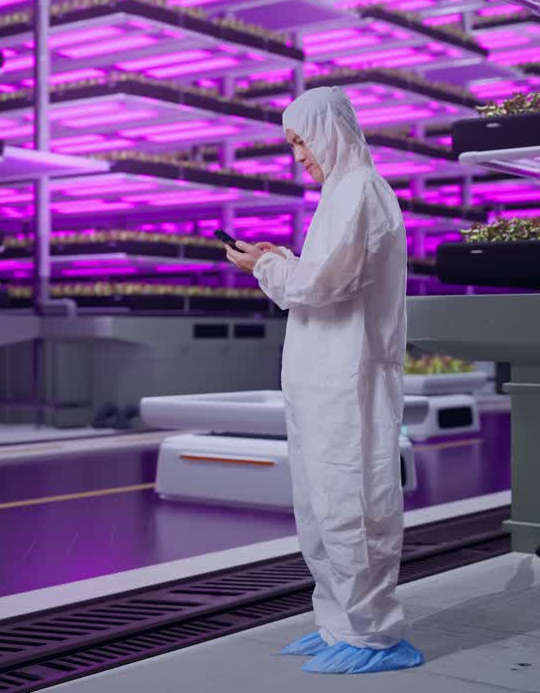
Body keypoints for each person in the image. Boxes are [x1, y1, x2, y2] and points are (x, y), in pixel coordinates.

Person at [224, 87, 422, 675]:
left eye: (301, 141)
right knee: (317, 509)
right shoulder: (338, 194)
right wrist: (281, 257)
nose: (298, 156)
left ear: (329, 131)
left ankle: (377, 635)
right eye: (291, 144)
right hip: (318, 379)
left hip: (350, 380)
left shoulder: (362, 192)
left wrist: (263, 265)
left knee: (353, 507)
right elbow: (323, 275)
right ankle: (338, 624)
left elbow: (321, 286)